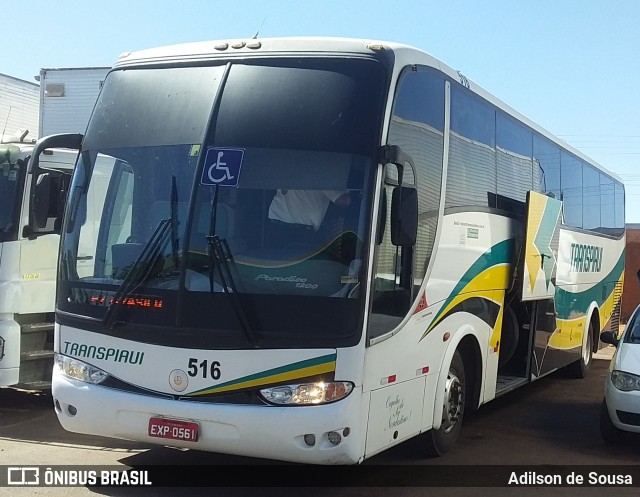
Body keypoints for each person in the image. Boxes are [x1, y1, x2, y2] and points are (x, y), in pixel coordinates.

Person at [267, 189, 351, 247]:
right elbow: (344, 200)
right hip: (301, 232)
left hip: (276, 223)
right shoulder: (321, 169)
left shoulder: (288, 164)